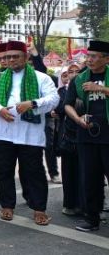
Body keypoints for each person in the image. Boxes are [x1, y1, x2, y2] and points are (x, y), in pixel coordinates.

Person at [0, 40, 59, 226]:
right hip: (3, 133)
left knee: (33, 172)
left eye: (16, 56)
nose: (11, 60)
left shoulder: (42, 78)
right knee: (4, 171)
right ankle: (7, 205)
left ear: (26, 57)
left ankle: (39, 208)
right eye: (8, 57)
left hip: (30, 135)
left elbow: (53, 99)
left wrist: (32, 103)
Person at [63, 39, 109, 232]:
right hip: (87, 136)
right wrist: (78, 119)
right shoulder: (79, 79)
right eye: (88, 56)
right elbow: (67, 104)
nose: (89, 59)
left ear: (106, 59)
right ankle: (92, 218)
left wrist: (101, 89)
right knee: (90, 178)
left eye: (94, 56)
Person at [54, 63, 81, 217]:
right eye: (71, 72)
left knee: (86, 172)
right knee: (69, 172)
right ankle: (70, 204)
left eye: (78, 71)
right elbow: (59, 109)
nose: (74, 74)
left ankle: (87, 205)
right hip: (68, 137)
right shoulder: (62, 91)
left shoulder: (86, 88)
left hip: (86, 135)